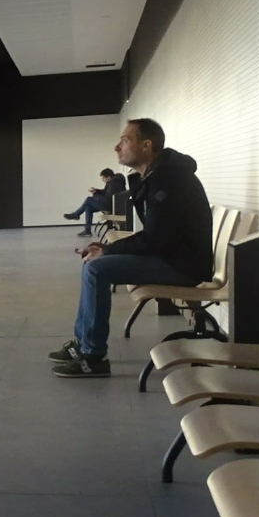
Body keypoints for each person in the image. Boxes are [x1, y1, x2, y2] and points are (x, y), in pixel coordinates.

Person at [50, 118, 214, 378]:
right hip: (171, 256)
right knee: (94, 263)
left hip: (183, 266)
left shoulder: (168, 180)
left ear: (146, 145)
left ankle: (93, 356)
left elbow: (156, 239)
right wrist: (106, 247)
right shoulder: (156, 176)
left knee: (96, 269)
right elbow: (156, 236)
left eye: (124, 141)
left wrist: (107, 250)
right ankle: (83, 344)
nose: (117, 147)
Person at [62, 168, 126, 236]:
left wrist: (96, 196)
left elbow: (107, 199)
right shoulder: (113, 182)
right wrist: (97, 191)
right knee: (88, 207)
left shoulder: (114, 184)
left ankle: (76, 215)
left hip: (109, 206)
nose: (102, 180)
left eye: (103, 178)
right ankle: (87, 230)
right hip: (110, 205)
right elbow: (106, 192)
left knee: (88, 199)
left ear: (108, 177)